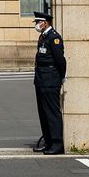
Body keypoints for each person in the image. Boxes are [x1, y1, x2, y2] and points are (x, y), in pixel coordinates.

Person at [31, 10, 66, 155]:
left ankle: (57, 144)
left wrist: (62, 77)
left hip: (51, 79)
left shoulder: (54, 38)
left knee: (52, 113)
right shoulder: (43, 37)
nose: (36, 25)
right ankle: (48, 141)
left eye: (38, 22)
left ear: (45, 23)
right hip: (41, 79)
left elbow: (60, 60)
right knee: (43, 113)